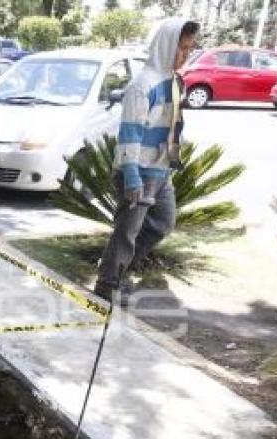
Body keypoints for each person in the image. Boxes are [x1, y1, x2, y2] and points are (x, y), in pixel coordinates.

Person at [94, 18, 199, 302]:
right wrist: (131, 174)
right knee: (127, 232)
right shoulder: (142, 85)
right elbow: (129, 133)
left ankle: (117, 271)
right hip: (138, 171)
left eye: (190, 50)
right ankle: (107, 286)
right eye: (182, 49)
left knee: (163, 223)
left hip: (160, 171)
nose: (185, 55)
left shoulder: (174, 82)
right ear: (166, 46)